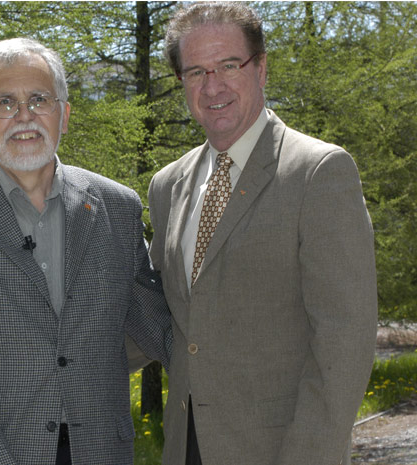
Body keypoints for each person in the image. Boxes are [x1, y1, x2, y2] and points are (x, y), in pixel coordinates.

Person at [0, 38, 172, 465]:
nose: (24, 116)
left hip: (99, 452)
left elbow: (159, 325)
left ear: (64, 113)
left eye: (39, 99)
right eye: (4, 103)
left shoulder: (117, 207)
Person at [147, 3, 378, 465]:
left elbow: (344, 342)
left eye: (229, 65)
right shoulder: (167, 186)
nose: (212, 86)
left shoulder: (318, 173)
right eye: (195, 72)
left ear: (262, 68)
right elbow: (158, 317)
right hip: (185, 447)